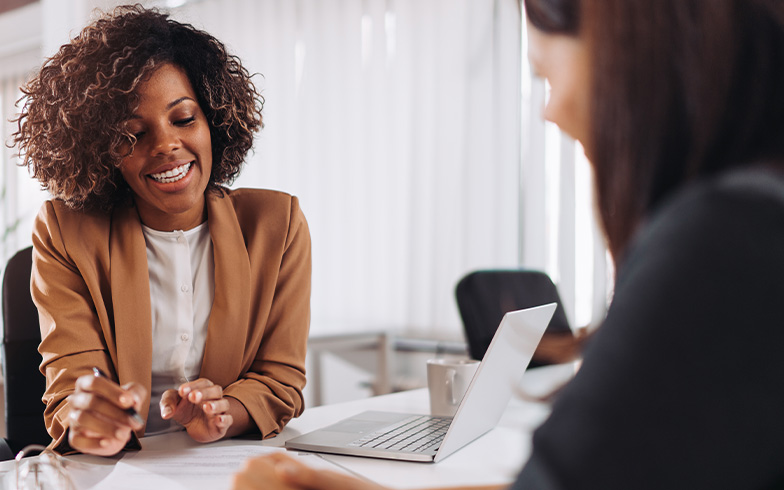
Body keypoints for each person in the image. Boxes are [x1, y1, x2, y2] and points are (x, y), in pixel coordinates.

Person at [233, 0, 784, 488]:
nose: (551, 110)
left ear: (633, 56)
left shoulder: (721, 246)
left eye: (545, 75)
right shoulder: (752, 221)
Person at [13, 5, 311, 456]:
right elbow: (71, 386)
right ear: (102, 152)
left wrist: (225, 414)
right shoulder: (65, 230)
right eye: (132, 134)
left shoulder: (276, 223)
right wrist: (90, 419)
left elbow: (280, 379)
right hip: (114, 473)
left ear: (213, 119)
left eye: (184, 119)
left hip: (225, 466)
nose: (166, 146)